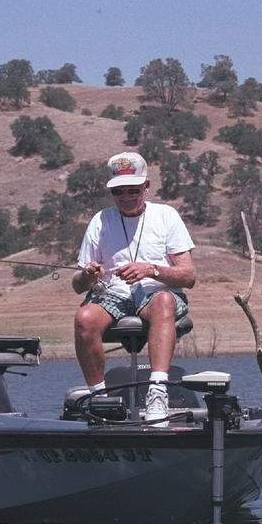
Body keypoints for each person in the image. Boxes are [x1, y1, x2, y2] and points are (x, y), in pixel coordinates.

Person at [71, 152, 196, 422]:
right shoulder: (100, 220)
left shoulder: (166, 216)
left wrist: (150, 269)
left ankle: (158, 391)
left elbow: (188, 276)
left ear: (146, 188)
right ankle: (99, 397)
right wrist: (89, 275)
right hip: (112, 294)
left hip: (155, 293)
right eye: (119, 192)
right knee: (84, 318)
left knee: (164, 301)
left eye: (133, 190)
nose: (126, 197)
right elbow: (77, 286)